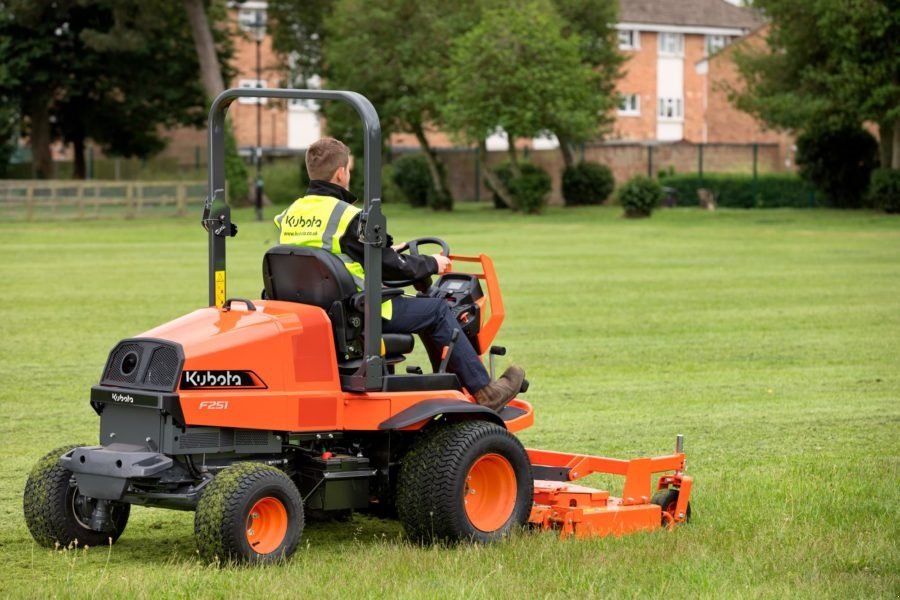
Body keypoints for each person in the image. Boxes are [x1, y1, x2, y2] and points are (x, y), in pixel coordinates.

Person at [274, 137, 524, 412]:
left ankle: (447, 384)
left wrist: (386, 249)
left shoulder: (291, 214)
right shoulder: (348, 217)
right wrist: (431, 264)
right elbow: (391, 267)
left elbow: (326, 254)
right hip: (361, 313)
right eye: (350, 171)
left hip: (314, 313)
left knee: (429, 309)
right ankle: (485, 392)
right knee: (438, 310)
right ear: (341, 172)